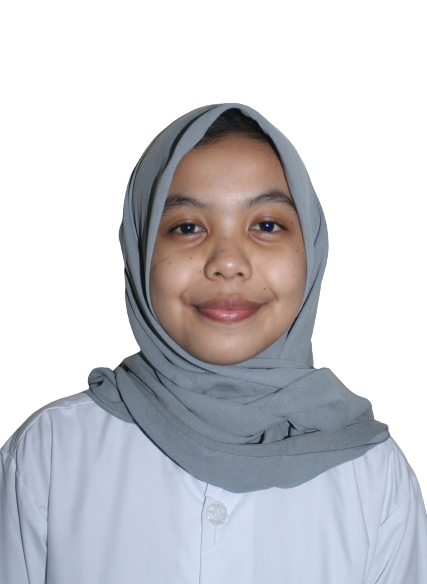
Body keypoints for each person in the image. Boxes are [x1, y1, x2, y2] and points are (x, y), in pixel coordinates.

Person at [1, 104, 426, 583]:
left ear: (311, 250)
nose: (227, 261)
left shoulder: (376, 480)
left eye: (266, 225)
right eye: (188, 227)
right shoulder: (50, 455)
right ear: (141, 250)